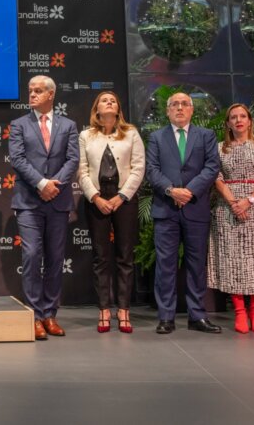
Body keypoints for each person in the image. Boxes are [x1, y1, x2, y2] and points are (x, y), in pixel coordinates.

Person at [9, 76, 79, 340]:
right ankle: (35, 316)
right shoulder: (19, 125)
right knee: (32, 255)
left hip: (58, 201)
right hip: (28, 201)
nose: (33, 95)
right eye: (30, 91)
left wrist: (55, 185)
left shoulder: (69, 125)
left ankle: (50, 315)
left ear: (51, 94)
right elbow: (17, 158)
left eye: (38, 91)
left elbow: (73, 159)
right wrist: (41, 183)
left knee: (54, 259)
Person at [146, 92, 221, 335]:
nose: (180, 108)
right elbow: (152, 169)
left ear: (192, 110)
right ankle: (166, 317)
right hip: (166, 209)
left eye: (185, 104)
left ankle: (197, 316)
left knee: (196, 265)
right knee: (165, 265)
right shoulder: (156, 137)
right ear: (167, 111)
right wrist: (171, 190)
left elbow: (212, 167)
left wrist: (189, 191)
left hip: (195, 207)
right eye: (174, 105)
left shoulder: (206, 135)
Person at [207, 104, 254, 334]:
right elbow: (217, 177)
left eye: (243, 116)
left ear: (250, 121)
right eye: (233, 117)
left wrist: (248, 200)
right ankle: (240, 313)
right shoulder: (220, 148)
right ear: (228, 123)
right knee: (234, 261)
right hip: (227, 207)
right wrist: (233, 203)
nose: (238, 120)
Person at [77, 91, 144, 333]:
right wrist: (95, 197)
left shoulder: (131, 133)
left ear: (118, 110)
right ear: (97, 109)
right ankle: (104, 309)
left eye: (113, 100)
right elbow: (82, 171)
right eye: (104, 100)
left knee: (125, 256)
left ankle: (124, 311)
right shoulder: (86, 135)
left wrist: (121, 196)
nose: (109, 102)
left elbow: (138, 168)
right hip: (97, 198)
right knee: (100, 257)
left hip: (124, 198)